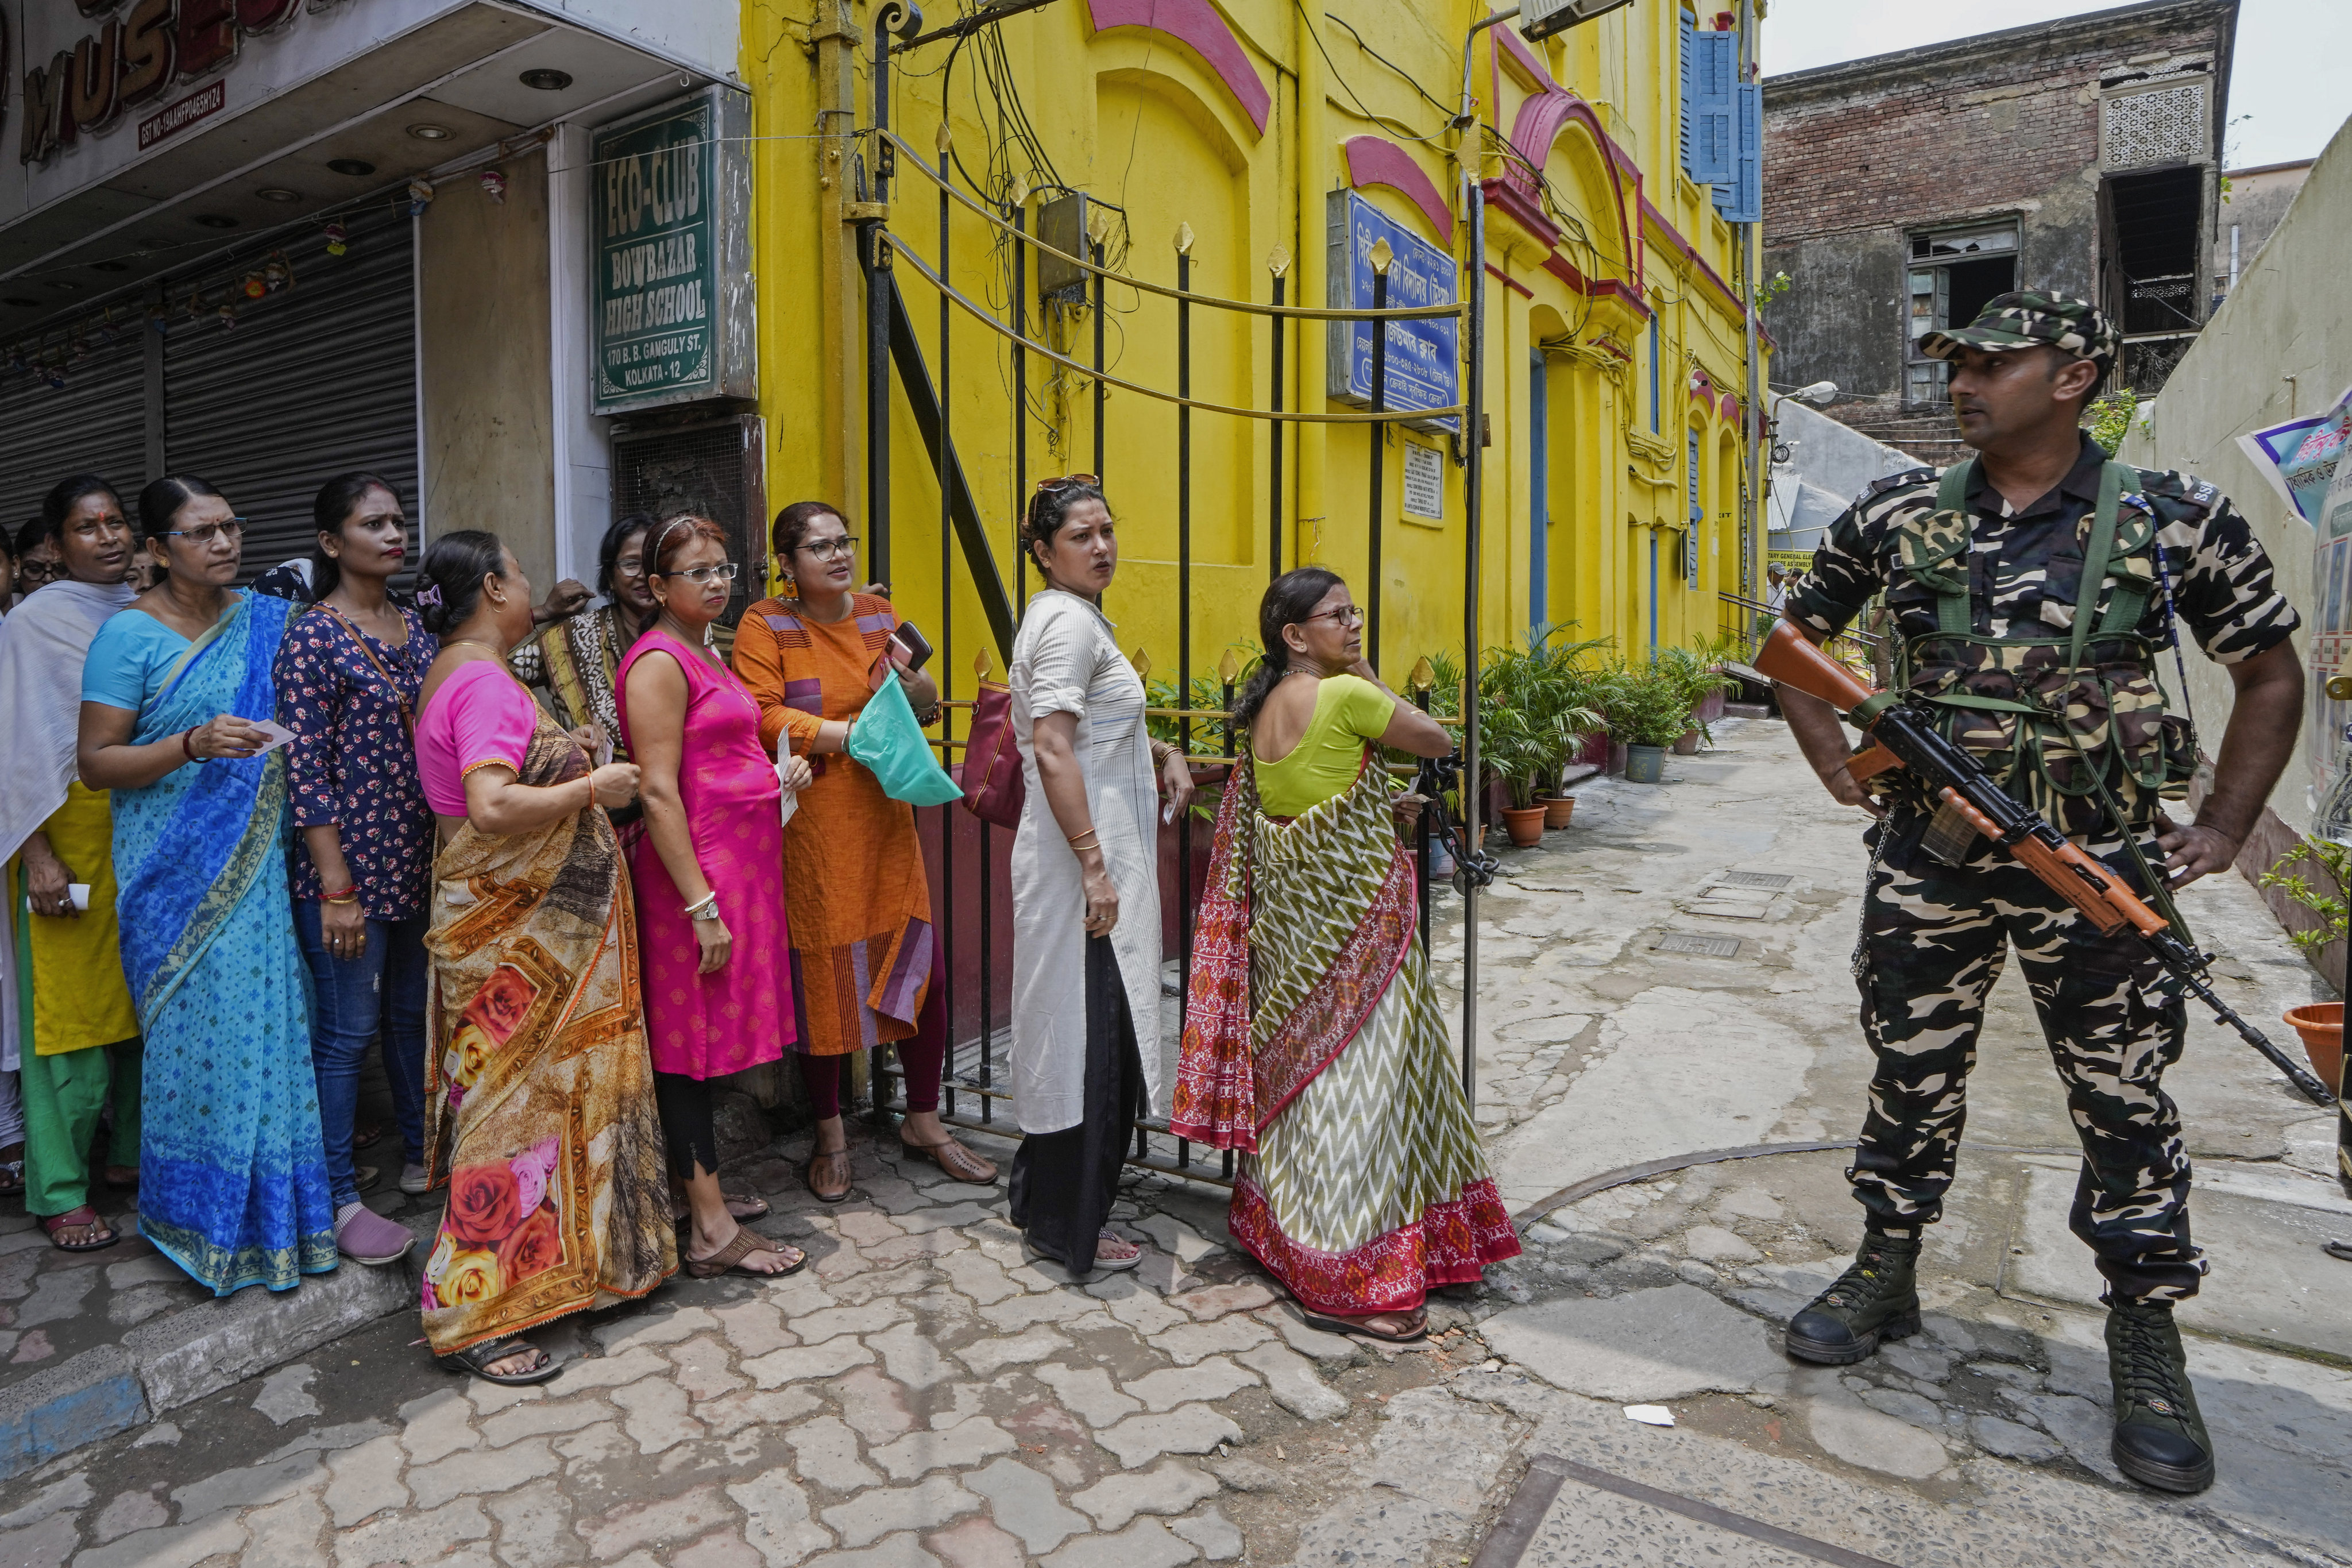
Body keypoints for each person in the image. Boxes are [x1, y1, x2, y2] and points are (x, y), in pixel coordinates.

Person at [1774, 293, 2304, 1496]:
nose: (1963, 383)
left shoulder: (2175, 521)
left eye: (1991, 363)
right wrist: (1837, 767)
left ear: (2076, 376)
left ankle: (2142, 1327)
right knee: (1908, 1070)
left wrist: (2221, 825)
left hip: (2098, 863)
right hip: (1930, 864)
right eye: (1954, 364)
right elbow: (1795, 639)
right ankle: (1886, 1265)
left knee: (2122, 1100)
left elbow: (2269, 674)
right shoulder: (1900, 512)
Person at [1173, 568, 1520, 1341]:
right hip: (1352, 933)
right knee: (1359, 1092)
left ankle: (1288, 1237)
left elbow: (1299, 801)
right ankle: (1347, 1278)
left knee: (1302, 1085)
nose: (1354, 624)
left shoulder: (1265, 705)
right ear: (1296, 636)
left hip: (1294, 933)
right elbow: (1438, 739)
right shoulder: (1345, 696)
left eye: (1353, 612)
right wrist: (1364, 673)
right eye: (1337, 616)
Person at [411, 530, 675, 1383]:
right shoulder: (484, 681)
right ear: (492, 587)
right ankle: (476, 1316)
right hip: (514, 940)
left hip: (512, 933)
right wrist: (592, 789)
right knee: (506, 1114)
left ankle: (575, 1273)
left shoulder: (454, 671)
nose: (530, 587)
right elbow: (490, 805)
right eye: (519, 574)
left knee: (541, 1103)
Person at [77, 476, 337, 1293]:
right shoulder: (128, 635)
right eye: (201, 533)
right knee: (202, 1048)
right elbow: (95, 763)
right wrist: (191, 742)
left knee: (270, 1035)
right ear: (158, 549)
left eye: (232, 526)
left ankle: (278, 1225)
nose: (225, 543)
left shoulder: (266, 620)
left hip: (259, 871)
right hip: (174, 877)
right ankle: (195, 1220)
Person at [733, 501, 995, 1201]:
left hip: (885, 818)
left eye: (842, 541)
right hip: (814, 826)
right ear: (787, 566)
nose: (837, 555)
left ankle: (923, 1121)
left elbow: (917, 699)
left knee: (924, 972)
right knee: (822, 982)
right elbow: (760, 716)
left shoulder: (879, 615)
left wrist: (921, 694)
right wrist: (849, 738)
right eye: (818, 548)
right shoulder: (767, 625)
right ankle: (830, 1134)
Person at [1006, 477, 1194, 1276]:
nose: (1101, 546)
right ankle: (1061, 1221)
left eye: (1107, 530)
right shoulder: (1062, 624)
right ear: (1044, 552)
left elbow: (1092, 729)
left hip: (1094, 856)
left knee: (1091, 1030)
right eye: (1081, 536)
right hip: (1078, 863)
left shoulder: (1076, 620)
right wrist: (1091, 864)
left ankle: (1041, 1198)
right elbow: (1051, 746)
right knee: (1088, 1041)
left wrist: (1163, 752)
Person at [616, 515, 804, 1277]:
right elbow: (658, 792)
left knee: (710, 1043)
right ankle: (709, 1228)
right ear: (658, 587)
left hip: (738, 876)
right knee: (687, 1051)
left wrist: (776, 776)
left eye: (723, 567)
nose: (717, 581)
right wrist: (700, 906)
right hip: (691, 884)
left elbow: (724, 757)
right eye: (697, 571)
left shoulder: (706, 649)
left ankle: (706, 1191)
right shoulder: (657, 661)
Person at [275, 473, 438, 1266]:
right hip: (345, 872)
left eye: (398, 521)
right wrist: (335, 887)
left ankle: (419, 1155)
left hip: (417, 860)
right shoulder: (314, 636)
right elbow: (303, 769)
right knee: (347, 1033)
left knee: (412, 1016)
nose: (392, 533)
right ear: (333, 543)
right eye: (372, 523)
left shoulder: (415, 625)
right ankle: (337, 1195)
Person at [0, 477, 144, 1249]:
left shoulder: (151, 611)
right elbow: (16, 747)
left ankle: (127, 1160)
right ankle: (58, 1186)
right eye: (87, 528)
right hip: (65, 833)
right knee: (69, 1021)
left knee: (141, 1002)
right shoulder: (32, 623)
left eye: (117, 521)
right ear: (54, 546)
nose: (109, 537)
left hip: (142, 830)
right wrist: (38, 854)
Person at [512, 513, 659, 764]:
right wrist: (554, 746)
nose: (644, 575)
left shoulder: (699, 637)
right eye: (631, 564)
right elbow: (496, 679)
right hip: (597, 795)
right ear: (611, 578)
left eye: (653, 563)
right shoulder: (571, 637)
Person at [14, 520, 61, 601]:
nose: (48, 579)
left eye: (60, 569)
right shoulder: (11, 612)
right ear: (16, 567)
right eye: (35, 569)